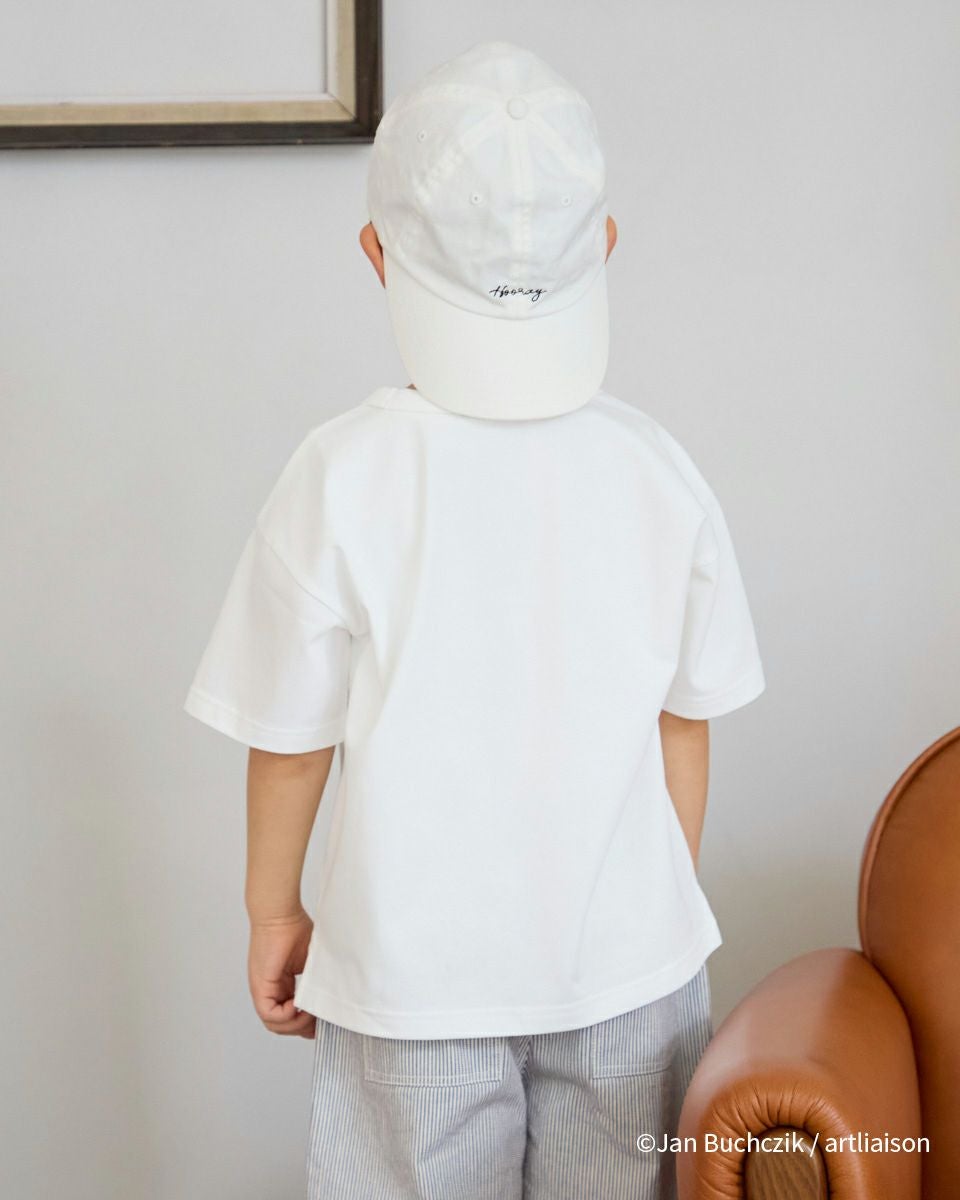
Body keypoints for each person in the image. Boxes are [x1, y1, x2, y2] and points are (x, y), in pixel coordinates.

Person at [183, 39, 766, 1200]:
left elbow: (290, 739)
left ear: (377, 255)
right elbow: (683, 724)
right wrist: (633, 910)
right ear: (604, 247)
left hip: (412, 990)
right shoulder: (658, 471)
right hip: (628, 982)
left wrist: (272, 911)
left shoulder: (340, 474)